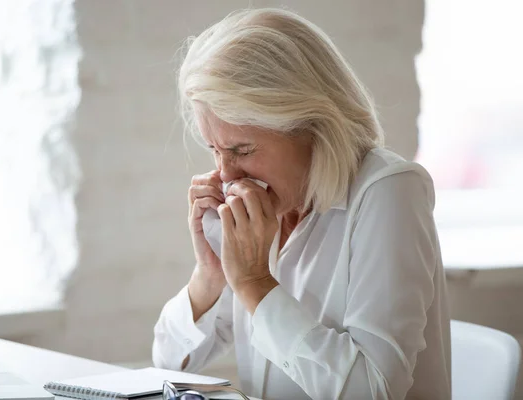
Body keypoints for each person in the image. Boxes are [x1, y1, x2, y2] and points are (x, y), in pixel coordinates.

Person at [152, 8, 451, 400]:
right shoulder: (268, 210)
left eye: (241, 150)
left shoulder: (389, 191)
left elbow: (372, 390)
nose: (226, 174)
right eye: (214, 150)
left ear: (311, 126)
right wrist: (210, 276)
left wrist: (257, 285)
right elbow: (167, 361)